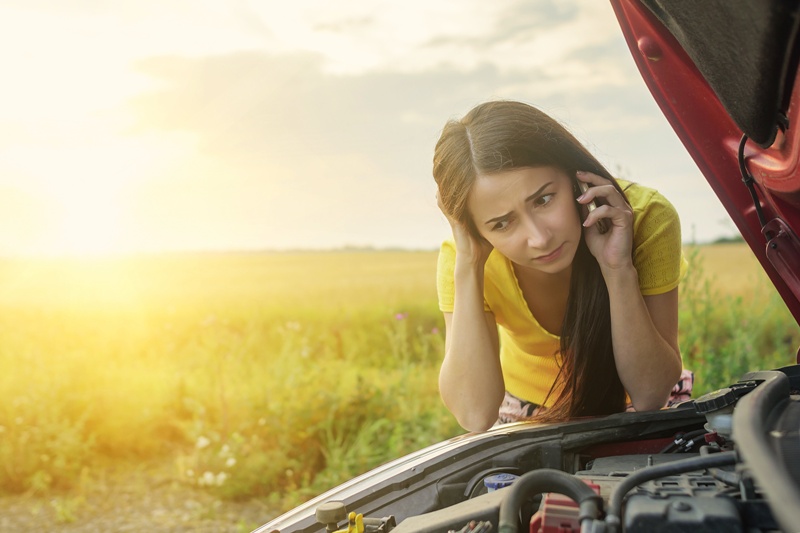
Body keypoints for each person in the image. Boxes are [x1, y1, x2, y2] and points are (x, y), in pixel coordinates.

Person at [433, 100, 690, 432]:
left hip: (638, 410)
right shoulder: (469, 257)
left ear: (574, 177)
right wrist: (468, 264)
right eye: (501, 224)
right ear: (475, 229)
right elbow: (475, 415)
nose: (539, 238)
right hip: (526, 412)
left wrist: (617, 268)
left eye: (543, 199)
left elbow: (650, 394)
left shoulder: (644, 218)